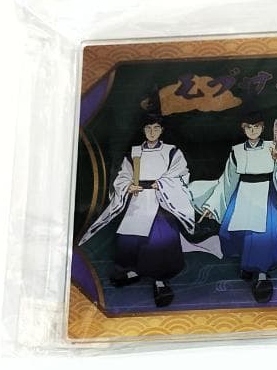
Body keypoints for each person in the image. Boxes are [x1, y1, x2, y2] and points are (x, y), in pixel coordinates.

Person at [78, 110, 197, 308]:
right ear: (143, 130)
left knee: (159, 240)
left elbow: (181, 173)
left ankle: (160, 281)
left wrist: (163, 184)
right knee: (130, 239)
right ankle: (133, 271)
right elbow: (123, 175)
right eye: (148, 128)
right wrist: (127, 186)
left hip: (161, 201)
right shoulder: (135, 152)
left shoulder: (172, 151)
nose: (152, 132)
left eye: (156, 128)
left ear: (162, 130)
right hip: (138, 198)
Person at [193, 109, 277, 303]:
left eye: (256, 127)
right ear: (243, 129)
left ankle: (262, 276)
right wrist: (212, 205)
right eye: (249, 127)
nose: (253, 131)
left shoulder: (273, 146)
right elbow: (227, 180)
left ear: (262, 128)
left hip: (265, 193)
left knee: (262, 236)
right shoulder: (236, 151)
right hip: (242, 192)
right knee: (236, 231)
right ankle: (247, 264)